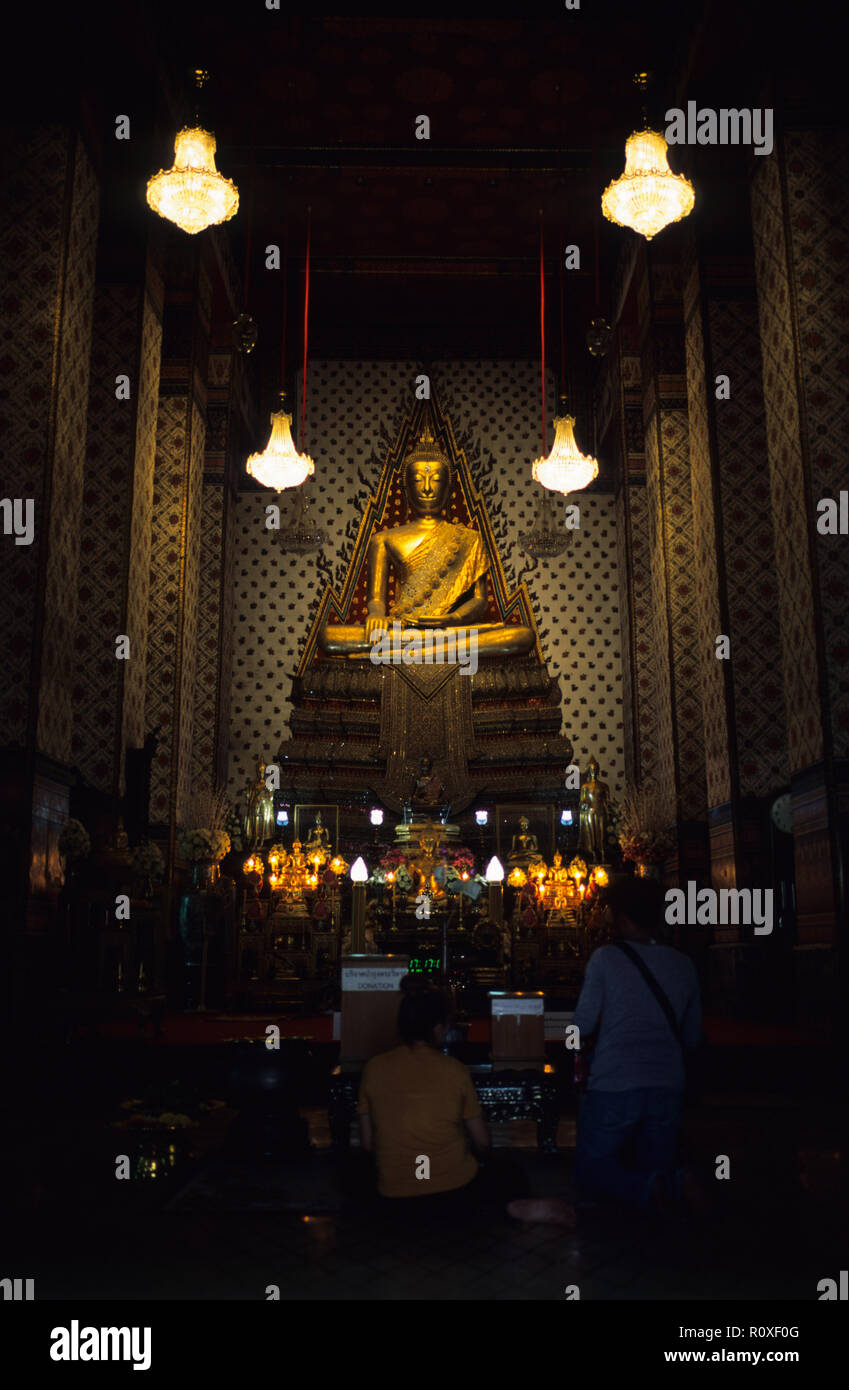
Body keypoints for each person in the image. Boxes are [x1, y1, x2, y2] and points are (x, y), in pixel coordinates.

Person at [357, 976, 536, 1223]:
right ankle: (511, 1208)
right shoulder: (455, 1070)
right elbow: (483, 1143)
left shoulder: (373, 1068)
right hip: (453, 1193)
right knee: (508, 1170)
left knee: (353, 1172)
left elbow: (367, 1145)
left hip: (394, 1198)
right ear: (438, 1029)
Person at [574, 876, 702, 1213]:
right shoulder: (684, 964)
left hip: (615, 1081)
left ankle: (657, 1188)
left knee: (591, 1170)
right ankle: (672, 1185)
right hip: (668, 1081)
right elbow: (692, 1036)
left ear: (623, 918)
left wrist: (570, 1045)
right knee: (653, 1163)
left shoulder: (605, 959)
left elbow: (583, 1024)